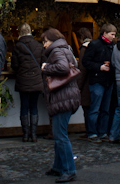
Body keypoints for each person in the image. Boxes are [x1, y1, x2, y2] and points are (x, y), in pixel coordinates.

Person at [41, 28, 80, 183]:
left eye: (45, 41)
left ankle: (69, 170)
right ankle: (58, 166)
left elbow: (63, 68)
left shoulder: (56, 51)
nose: (44, 45)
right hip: (67, 97)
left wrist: (45, 68)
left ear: (51, 40)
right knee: (59, 134)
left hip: (62, 97)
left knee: (61, 135)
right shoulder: (65, 49)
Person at [81, 23, 116, 142]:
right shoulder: (94, 44)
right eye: (112, 34)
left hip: (108, 80)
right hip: (97, 80)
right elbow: (86, 62)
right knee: (95, 108)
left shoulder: (112, 45)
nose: (113, 37)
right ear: (105, 33)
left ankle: (102, 132)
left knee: (105, 109)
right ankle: (92, 133)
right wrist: (99, 67)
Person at [11, 22, 44, 142]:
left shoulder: (17, 46)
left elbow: (14, 65)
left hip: (23, 80)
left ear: (20, 32)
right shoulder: (39, 45)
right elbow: (43, 64)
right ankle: (34, 135)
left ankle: (25, 135)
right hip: (36, 80)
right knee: (34, 107)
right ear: (31, 31)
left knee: (24, 107)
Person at [76, 28, 93, 139]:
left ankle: (90, 131)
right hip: (94, 82)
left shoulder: (84, 48)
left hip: (87, 84)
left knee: (87, 109)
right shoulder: (95, 45)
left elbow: (82, 69)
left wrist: (78, 86)